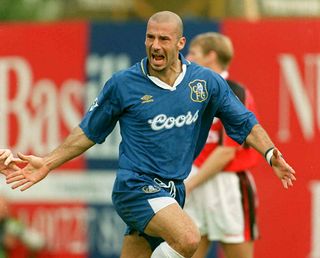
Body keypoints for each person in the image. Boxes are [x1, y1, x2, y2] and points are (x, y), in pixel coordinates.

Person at [0, 11, 295, 258]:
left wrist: (271, 154)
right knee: (189, 238)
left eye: (163, 39)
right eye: (150, 37)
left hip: (173, 190)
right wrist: (48, 162)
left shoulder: (206, 83)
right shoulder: (123, 84)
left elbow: (244, 122)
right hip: (135, 187)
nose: (155, 45)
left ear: (180, 43)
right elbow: (87, 132)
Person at [184, 32, 260, 258]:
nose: (187, 58)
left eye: (194, 53)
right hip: (195, 181)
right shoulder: (191, 91)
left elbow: (227, 152)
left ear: (211, 56)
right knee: (189, 249)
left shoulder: (234, 92)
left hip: (227, 185)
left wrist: (189, 185)